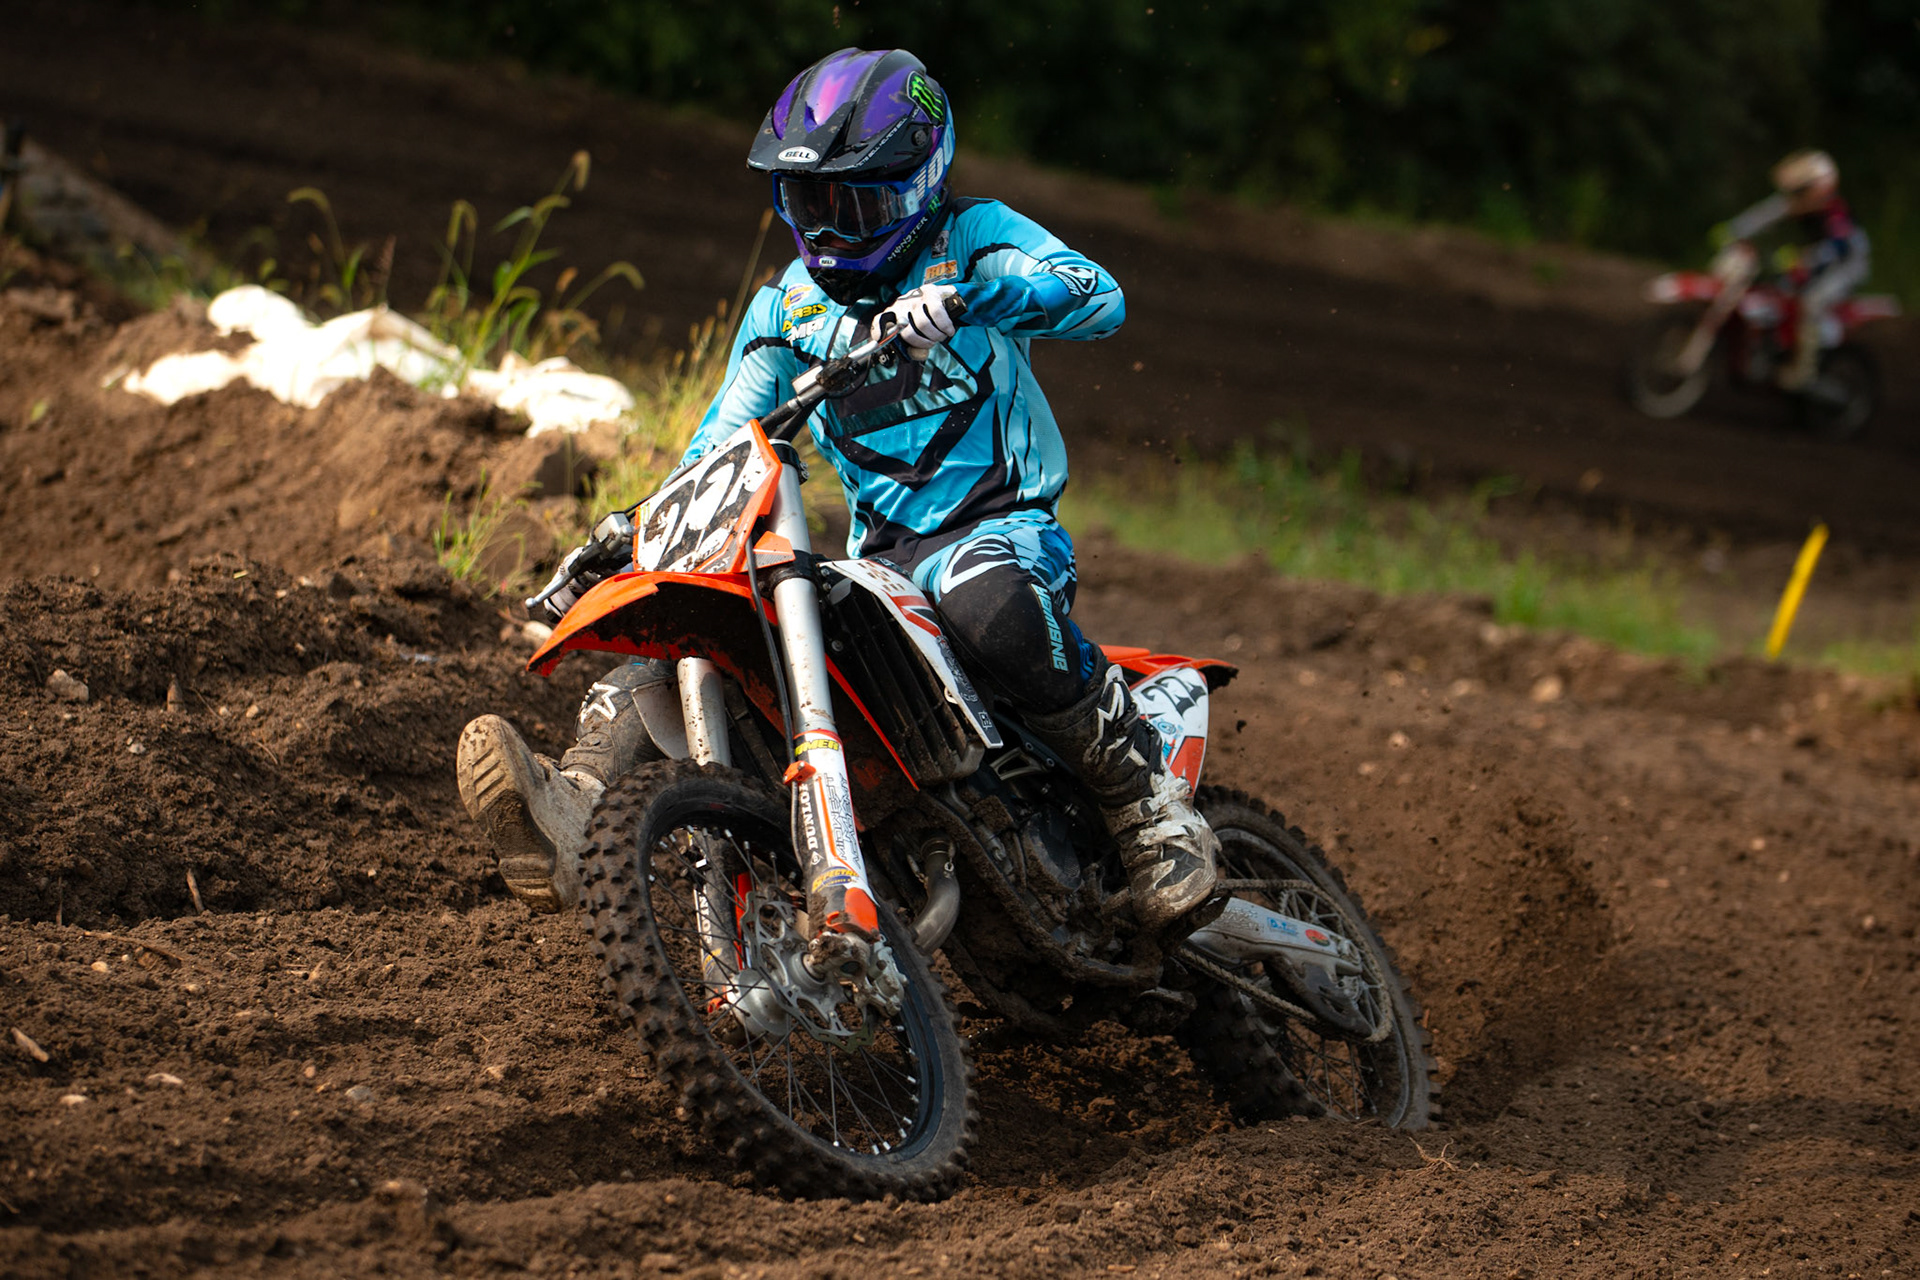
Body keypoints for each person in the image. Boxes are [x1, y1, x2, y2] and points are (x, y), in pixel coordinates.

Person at [457, 48, 1219, 932]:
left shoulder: (970, 237)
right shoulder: (786, 311)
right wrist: (631, 532)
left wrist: (970, 301)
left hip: (1002, 531)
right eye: (808, 201)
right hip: (879, 563)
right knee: (707, 622)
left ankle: (1146, 803)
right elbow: (720, 448)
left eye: (854, 203)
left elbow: (1097, 295)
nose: (829, 228)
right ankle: (576, 807)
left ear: (919, 183)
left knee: (982, 598)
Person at [1717, 149, 1871, 390]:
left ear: (1819, 188)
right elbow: (1762, 216)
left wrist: (1806, 261)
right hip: (1817, 261)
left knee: (1811, 303)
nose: (1792, 197)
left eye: (1799, 191)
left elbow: (1838, 248)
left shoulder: (1835, 212)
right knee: (1775, 295)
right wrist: (1732, 232)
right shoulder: (1796, 202)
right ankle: (1776, 352)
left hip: (1847, 267)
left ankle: (1803, 372)